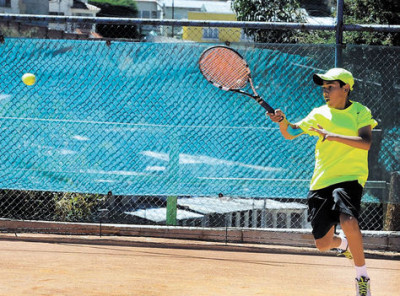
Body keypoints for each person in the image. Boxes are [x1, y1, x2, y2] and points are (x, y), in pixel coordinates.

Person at [267, 68, 377, 296]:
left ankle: (362, 277)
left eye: (330, 87)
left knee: (348, 220)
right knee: (323, 244)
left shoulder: (359, 112)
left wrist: (333, 135)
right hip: (321, 181)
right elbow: (291, 132)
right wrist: (282, 121)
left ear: (345, 88)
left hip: (350, 177)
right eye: (323, 88)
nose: (325, 92)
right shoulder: (318, 113)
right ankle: (344, 245)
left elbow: (366, 142)